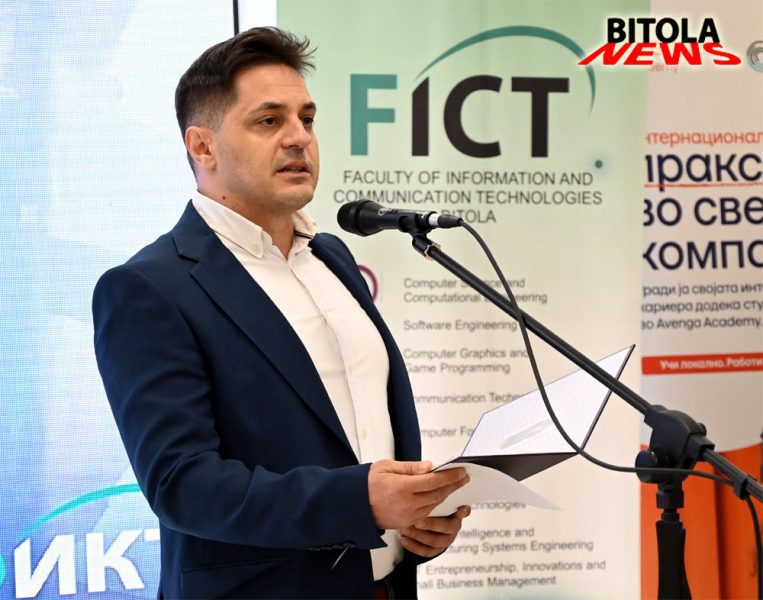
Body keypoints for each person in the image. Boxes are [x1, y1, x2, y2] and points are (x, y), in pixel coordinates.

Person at [93, 26, 470, 599]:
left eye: (307, 119)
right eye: (269, 121)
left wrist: (413, 519)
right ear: (202, 147)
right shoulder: (149, 288)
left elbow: (363, 435)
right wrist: (359, 502)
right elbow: (182, 484)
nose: (299, 138)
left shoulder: (332, 257)